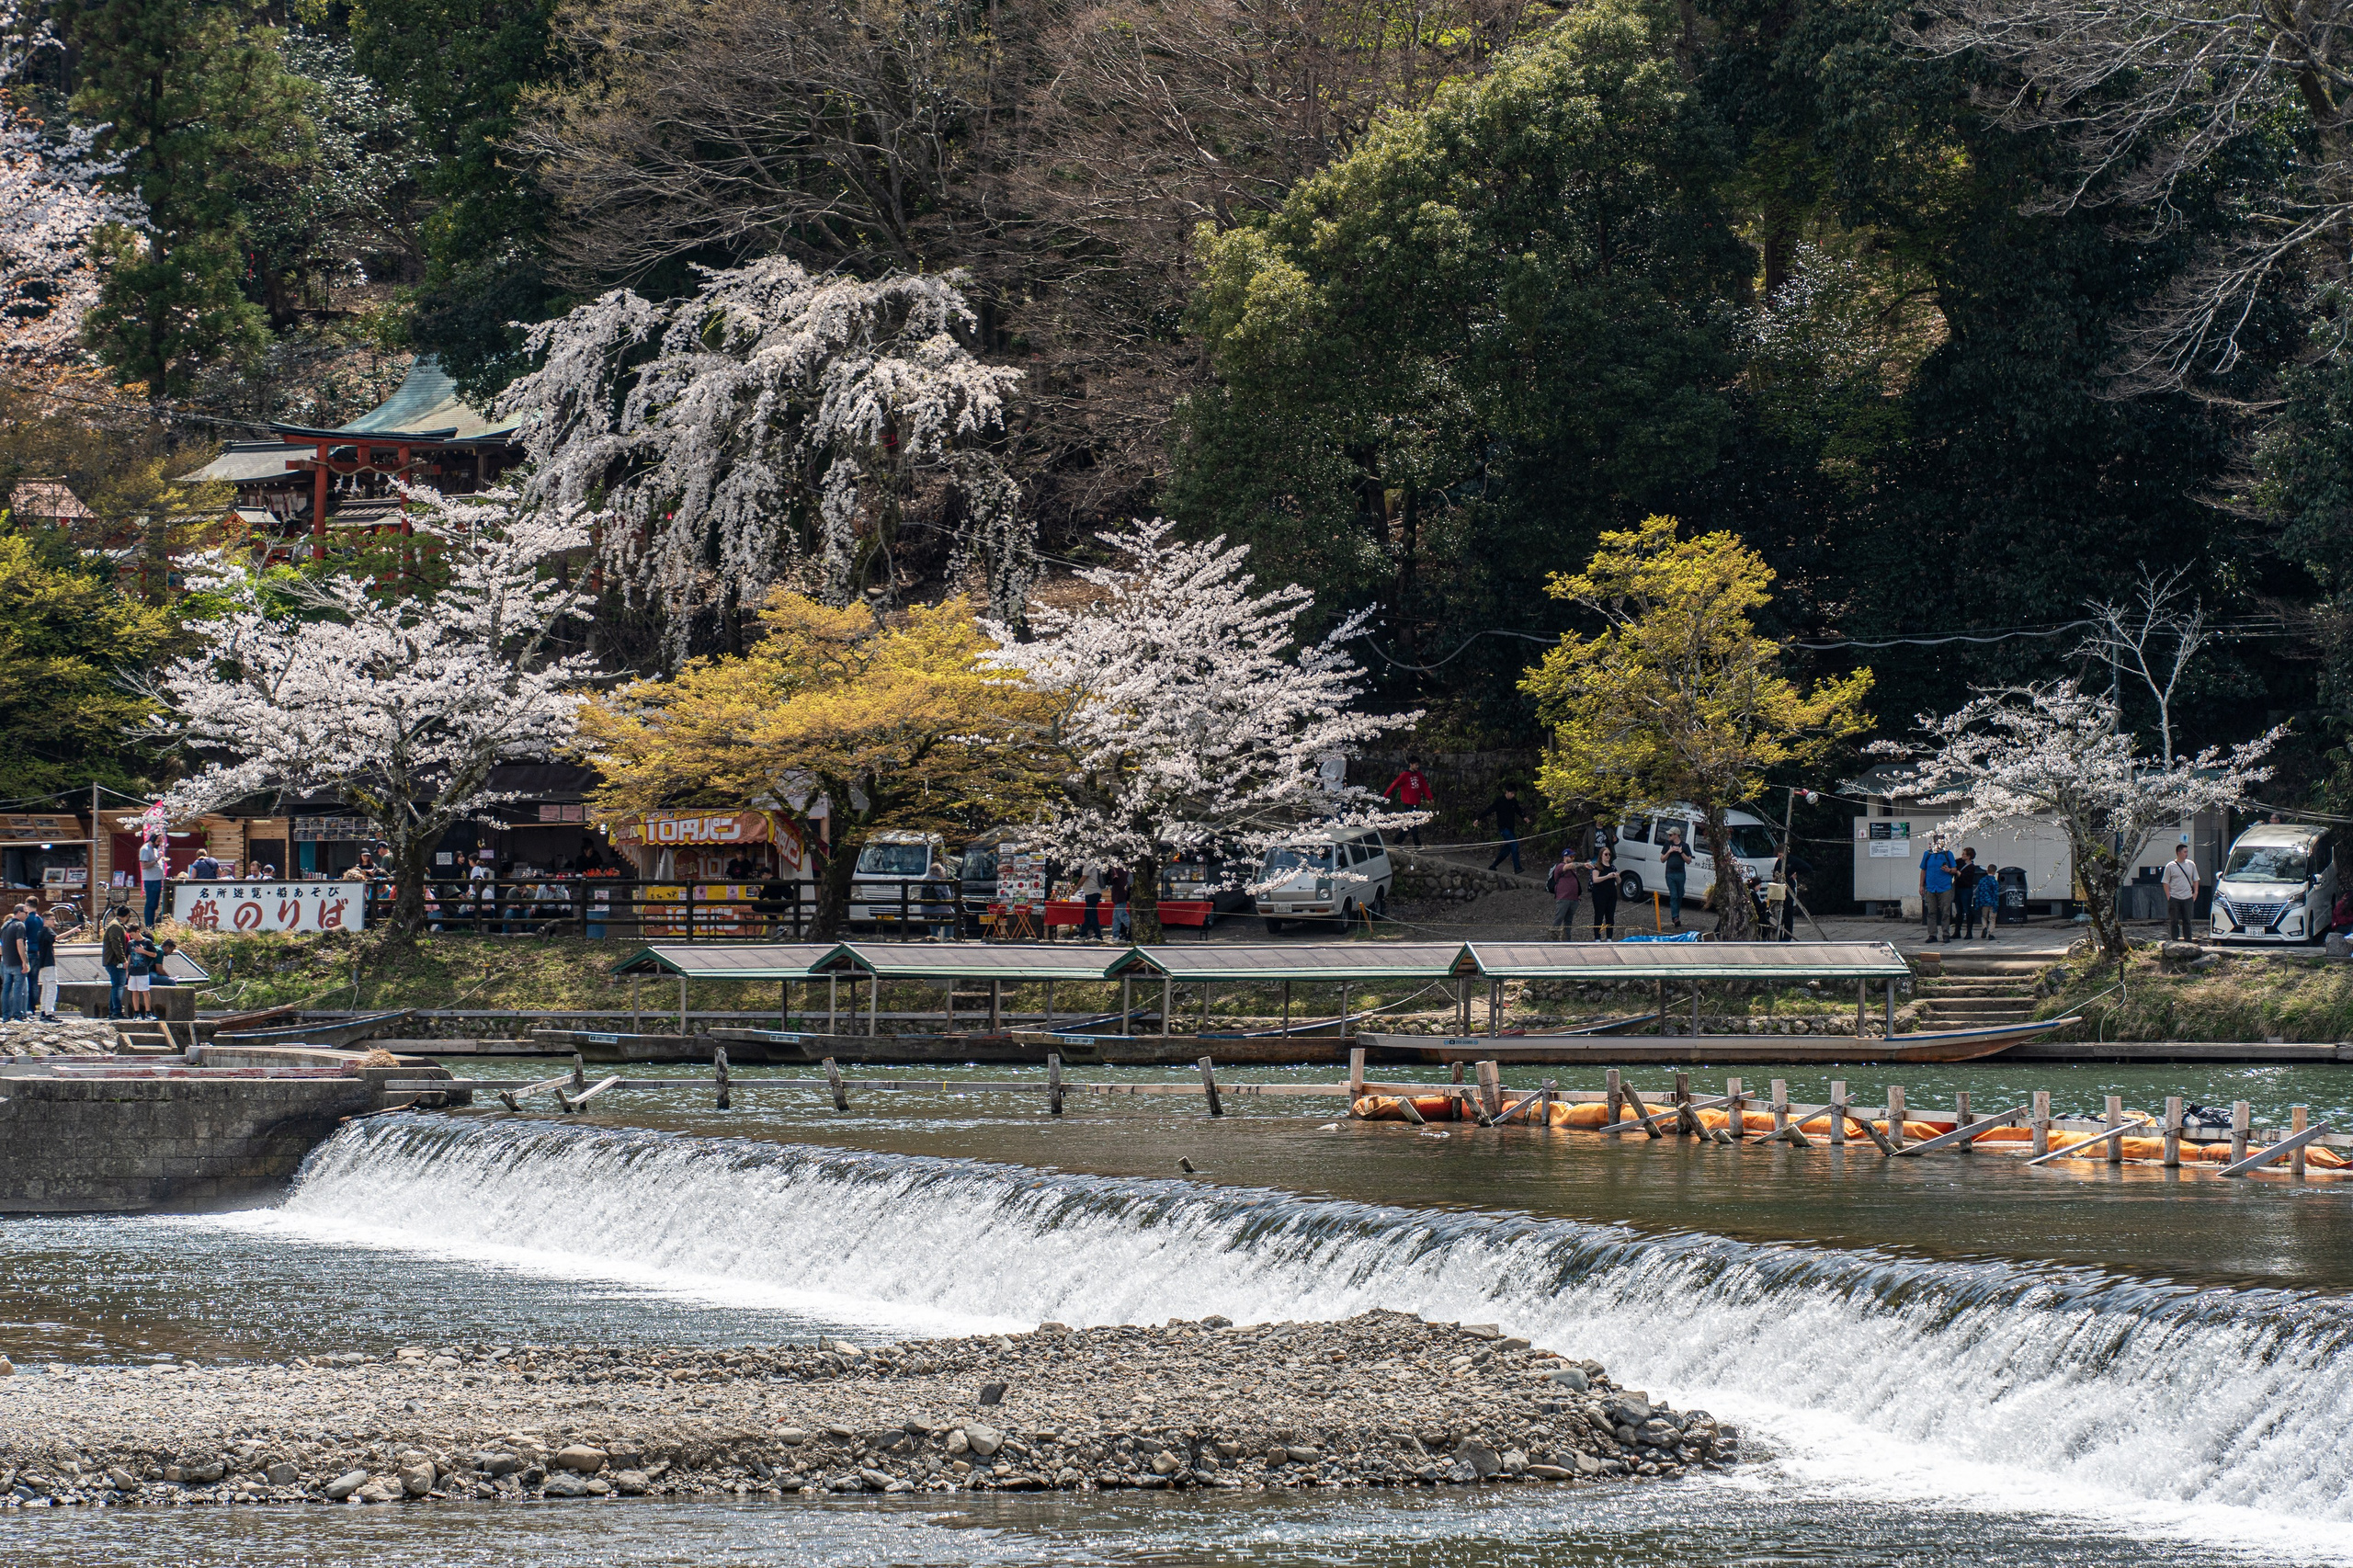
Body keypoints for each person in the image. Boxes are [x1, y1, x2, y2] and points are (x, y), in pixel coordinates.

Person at [1385, 758, 1438, 848]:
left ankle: (1397, 841)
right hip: (1408, 803)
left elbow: (1424, 786)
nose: (1417, 766)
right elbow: (1394, 784)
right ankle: (1417, 845)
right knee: (1413, 824)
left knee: (1409, 824)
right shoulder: (1405, 775)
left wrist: (1430, 797)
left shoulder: (1419, 775)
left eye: (1418, 765)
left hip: (1416, 802)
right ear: (1411, 764)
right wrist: (1385, 795)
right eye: (1416, 764)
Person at [1918, 833, 1956, 945]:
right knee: (1931, 912)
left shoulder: (1948, 854)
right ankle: (1932, 934)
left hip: (1945, 887)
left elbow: (1955, 869)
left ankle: (1946, 934)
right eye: (1938, 842)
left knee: (1945, 912)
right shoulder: (1928, 854)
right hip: (1931, 887)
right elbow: (1923, 870)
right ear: (1934, 842)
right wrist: (1921, 885)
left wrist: (1949, 870)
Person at [26, 898, 58, 1021]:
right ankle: (43, 1011)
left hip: (31, 953)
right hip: (42, 956)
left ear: (27, 905)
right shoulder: (40, 922)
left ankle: (34, 1009)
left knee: (33, 983)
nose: (54, 922)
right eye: (52, 920)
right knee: (42, 984)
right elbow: (55, 938)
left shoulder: (27, 920)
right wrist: (73, 931)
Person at [2162, 841, 2200, 942]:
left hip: (2187, 896)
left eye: (2187, 852)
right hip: (2175, 896)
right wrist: (2169, 896)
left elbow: (2196, 879)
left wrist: (2195, 892)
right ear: (2179, 853)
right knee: (2174, 920)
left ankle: (2188, 940)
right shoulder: (2170, 866)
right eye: (2185, 852)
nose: (2186, 854)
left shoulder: (2191, 864)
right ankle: (2174, 939)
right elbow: (2165, 882)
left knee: (2187, 920)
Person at [1483, 786, 1525, 875]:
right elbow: (1489, 810)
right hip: (1503, 829)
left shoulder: (1513, 801)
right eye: (1511, 793)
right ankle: (1517, 867)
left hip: (1511, 828)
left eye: (1514, 794)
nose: (1513, 795)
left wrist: (1524, 817)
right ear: (1507, 792)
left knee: (1507, 849)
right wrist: (1478, 819)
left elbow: (1518, 810)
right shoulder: (1500, 801)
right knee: (1514, 844)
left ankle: (1493, 866)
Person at [1586, 845, 1622, 939]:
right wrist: (1607, 876)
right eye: (1606, 854)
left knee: (1610, 916)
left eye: (1609, 854)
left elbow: (1619, 881)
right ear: (1601, 855)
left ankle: (1609, 937)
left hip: (1611, 894)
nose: (1608, 856)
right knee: (1599, 915)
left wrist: (1617, 876)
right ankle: (1597, 937)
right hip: (1599, 894)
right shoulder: (1597, 867)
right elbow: (1595, 879)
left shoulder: (1613, 867)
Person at [1659, 830, 1693, 930]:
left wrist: (1681, 852)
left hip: (1680, 873)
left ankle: (1676, 915)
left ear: (1676, 835)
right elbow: (1662, 859)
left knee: (1680, 894)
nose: (1669, 836)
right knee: (1673, 895)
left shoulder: (1685, 846)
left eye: (1670, 834)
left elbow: (1689, 860)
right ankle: (1675, 917)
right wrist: (1669, 852)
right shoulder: (1667, 844)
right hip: (1670, 874)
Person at [1952, 847, 1986, 941]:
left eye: (1964, 854)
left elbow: (1967, 879)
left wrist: (1958, 873)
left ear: (1969, 856)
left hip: (1966, 889)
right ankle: (1957, 931)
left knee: (1967, 910)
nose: (1962, 855)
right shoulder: (1959, 862)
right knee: (1959, 910)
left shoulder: (1971, 867)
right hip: (1958, 888)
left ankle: (1969, 932)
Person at [122, 923, 156, 1018]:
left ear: (138, 931)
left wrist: (144, 951)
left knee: (145, 991)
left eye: (133, 934)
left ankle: (148, 1012)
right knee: (134, 992)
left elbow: (154, 954)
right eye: (130, 935)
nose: (132, 937)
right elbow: (129, 956)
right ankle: (136, 1013)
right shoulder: (130, 943)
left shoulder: (147, 942)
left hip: (143, 971)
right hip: (133, 971)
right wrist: (127, 970)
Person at [1547, 848, 1583, 937]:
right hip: (1563, 898)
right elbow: (1568, 866)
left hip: (1573, 899)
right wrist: (1584, 864)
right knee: (1559, 918)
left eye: (1574, 856)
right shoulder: (1560, 866)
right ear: (1565, 857)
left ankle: (1567, 938)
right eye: (1571, 856)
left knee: (1569, 921)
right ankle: (1552, 938)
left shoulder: (1573, 870)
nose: (1573, 858)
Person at [0, 903, 26, 1023]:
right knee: (18, 989)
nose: (27, 915)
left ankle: (6, 1015)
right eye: (25, 913)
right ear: (19, 912)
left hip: (6, 962)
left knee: (6, 989)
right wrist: (24, 961)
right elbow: (20, 943)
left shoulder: (5, 926)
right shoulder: (20, 925)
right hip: (17, 961)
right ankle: (17, 1015)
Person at [102, 914, 130, 1019]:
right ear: (126, 915)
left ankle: (113, 1011)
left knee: (116, 985)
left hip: (114, 961)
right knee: (118, 985)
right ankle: (116, 1011)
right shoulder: (115, 926)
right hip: (114, 961)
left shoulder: (116, 925)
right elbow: (116, 944)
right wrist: (123, 959)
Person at [139, 833, 166, 926]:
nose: (159, 844)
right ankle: (149, 925)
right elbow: (144, 866)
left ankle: (151, 924)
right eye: (158, 841)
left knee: (155, 904)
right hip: (150, 880)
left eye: (160, 842)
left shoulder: (154, 849)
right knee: (150, 904)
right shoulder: (145, 849)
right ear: (153, 839)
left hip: (157, 879)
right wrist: (157, 859)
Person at [1077, 865, 1105, 941]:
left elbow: (1083, 878)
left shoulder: (1089, 864)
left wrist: (1076, 889)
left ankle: (1098, 935)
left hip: (1091, 892)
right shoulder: (1095, 864)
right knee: (1088, 915)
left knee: (1093, 915)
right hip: (1094, 892)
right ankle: (1083, 933)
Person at [1974, 862, 2000, 941]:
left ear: (1987, 871)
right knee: (1992, 918)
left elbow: (1978, 892)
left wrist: (1977, 903)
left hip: (1984, 902)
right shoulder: (1994, 882)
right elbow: (1996, 894)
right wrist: (1996, 904)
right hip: (1992, 902)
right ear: (1994, 872)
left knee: (1984, 916)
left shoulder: (1982, 881)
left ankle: (1984, 927)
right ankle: (1990, 933)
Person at [1108, 866, 1132, 941]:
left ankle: (1133, 930)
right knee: (1116, 917)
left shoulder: (1116, 869)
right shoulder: (1126, 870)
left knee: (1122, 915)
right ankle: (1115, 935)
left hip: (1119, 895)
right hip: (1121, 895)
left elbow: (1114, 880)